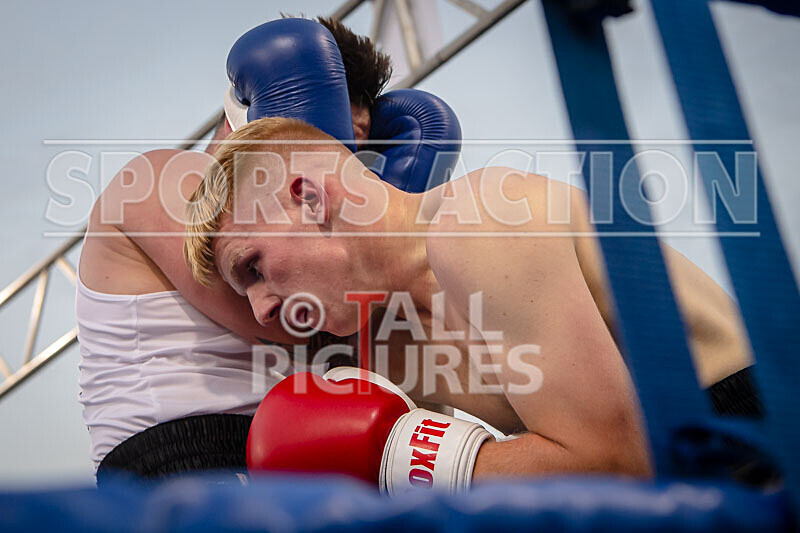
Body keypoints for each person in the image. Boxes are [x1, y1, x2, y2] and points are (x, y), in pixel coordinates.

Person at [184, 116, 756, 492]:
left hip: (758, 439)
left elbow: (615, 461)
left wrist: (400, 460)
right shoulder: (391, 353)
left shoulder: (477, 220)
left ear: (309, 198)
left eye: (252, 267)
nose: (260, 310)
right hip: (690, 485)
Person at [77, 17, 405, 481]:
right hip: (172, 458)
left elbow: (383, 366)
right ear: (260, 111)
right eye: (331, 136)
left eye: (355, 148)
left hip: (291, 452)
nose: (343, 162)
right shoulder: (157, 178)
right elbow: (298, 320)